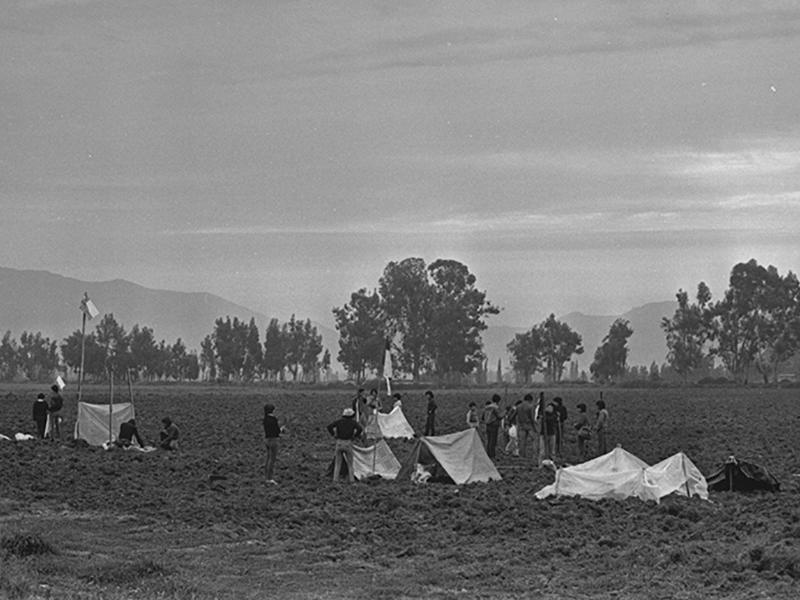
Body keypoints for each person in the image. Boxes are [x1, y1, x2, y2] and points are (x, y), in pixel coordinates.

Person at [327, 408, 363, 483]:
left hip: (339, 442)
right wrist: (354, 436)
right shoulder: (353, 423)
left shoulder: (339, 422)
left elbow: (329, 427)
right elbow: (360, 429)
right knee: (350, 464)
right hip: (348, 443)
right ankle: (351, 480)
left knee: (338, 463)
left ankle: (335, 480)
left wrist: (334, 435)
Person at [263, 403, 281, 484]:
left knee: (268, 459)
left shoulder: (265, 419)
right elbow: (277, 431)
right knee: (272, 460)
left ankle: (266, 476)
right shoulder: (273, 419)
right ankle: (269, 479)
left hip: (267, 440)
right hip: (274, 440)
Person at [516, 394, 536, 460]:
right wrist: (535, 427)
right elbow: (532, 418)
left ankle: (522, 456)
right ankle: (534, 456)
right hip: (529, 425)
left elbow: (515, 415)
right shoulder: (530, 406)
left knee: (522, 441)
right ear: (530, 400)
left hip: (521, 425)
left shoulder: (518, 406)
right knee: (534, 440)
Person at [481, 394, 502, 459]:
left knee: (489, 440)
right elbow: (499, 416)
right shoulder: (495, 407)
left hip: (488, 425)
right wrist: (505, 412)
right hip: (494, 426)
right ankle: (492, 455)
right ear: (498, 401)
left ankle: (488, 454)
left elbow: (482, 417)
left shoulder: (487, 407)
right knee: (493, 441)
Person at [538, 402, 558, 467]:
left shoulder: (554, 415)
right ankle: (540, 465)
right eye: (548, 407)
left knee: (552, 452)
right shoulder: (543, 415)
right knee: (542, 451)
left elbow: (551, 420)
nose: (549, 409)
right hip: (543, 434)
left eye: (550, 407)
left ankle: (552, 465)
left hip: (551, 434)